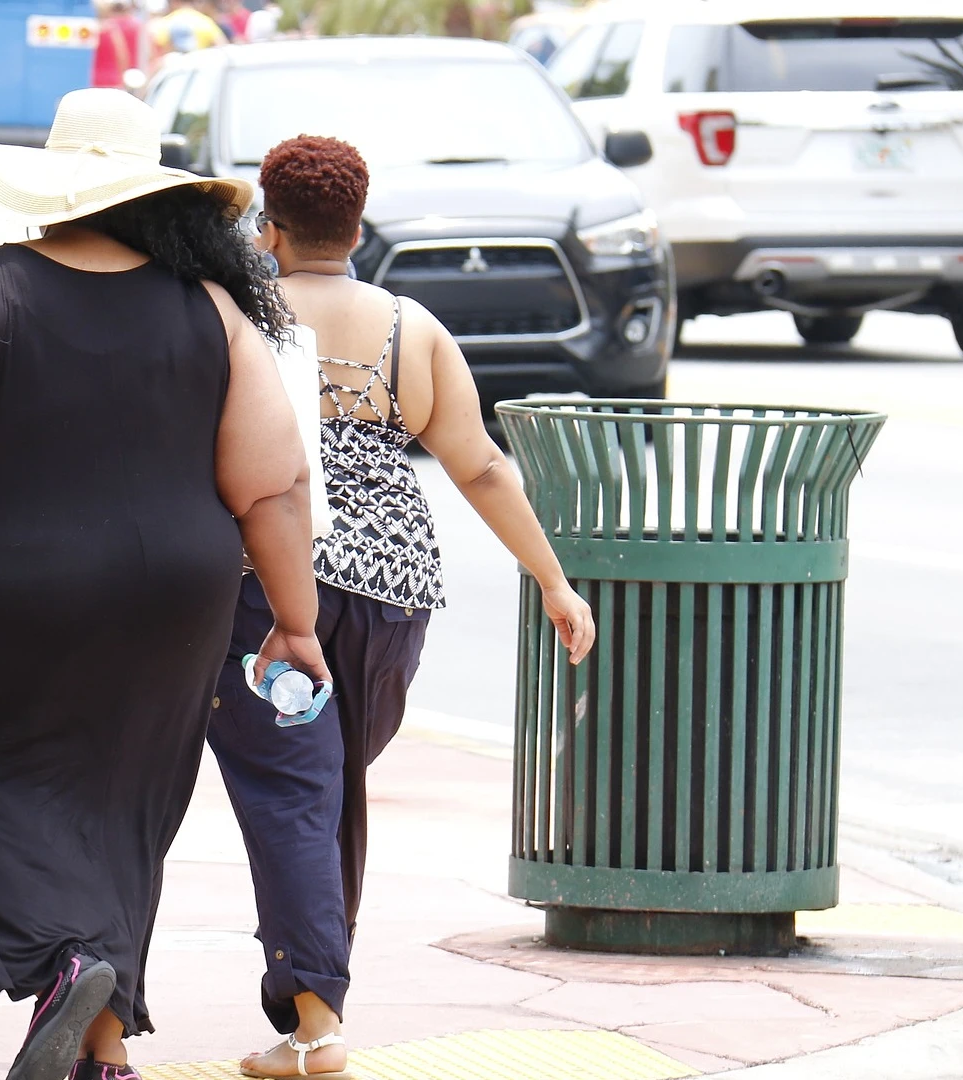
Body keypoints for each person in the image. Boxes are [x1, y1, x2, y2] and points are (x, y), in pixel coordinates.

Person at [0, 88, 327, 1080]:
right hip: (176, 600)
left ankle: (67, 961)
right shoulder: (215, 312)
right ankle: (103, 1043)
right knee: (122, 803)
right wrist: (296, 623)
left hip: (12, 587)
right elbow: (277, 488)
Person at [210, 135, 597, 1080]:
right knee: (330, 786)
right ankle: (313, 1008)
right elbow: (480, 466)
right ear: (358, 223)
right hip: (391, 599)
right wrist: (551, 579)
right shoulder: (408, 329)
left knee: (294, 793)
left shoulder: (233, 318)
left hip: (268, 588)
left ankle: (315, 1023)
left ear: (272, 224)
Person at [90, 0, 144, 90]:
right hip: (113, 81)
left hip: (94, 80)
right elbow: (121, 56)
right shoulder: (111, 30)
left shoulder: (91, 31)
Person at [148, 0, 227, 61]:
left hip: (173, 76)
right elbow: (223, 47)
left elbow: (152, 55)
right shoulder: (205, 22)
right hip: (201, 74)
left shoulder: (164, 23)